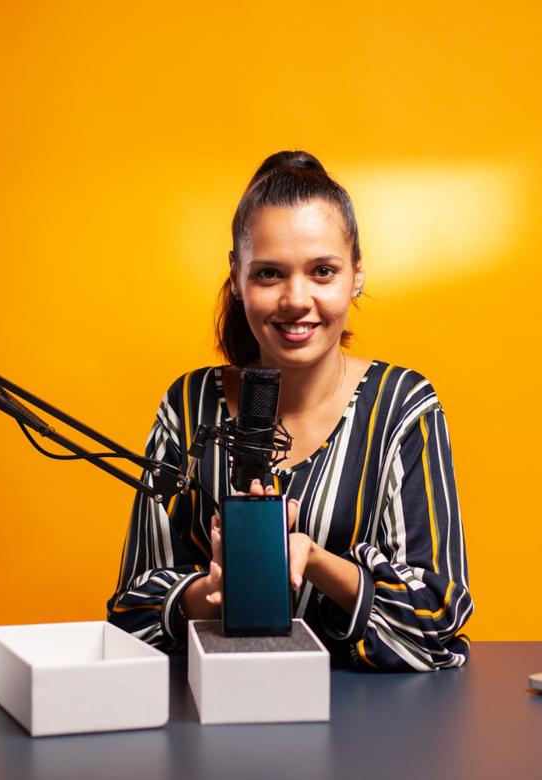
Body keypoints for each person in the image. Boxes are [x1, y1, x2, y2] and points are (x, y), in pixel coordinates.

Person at [107, 151, 472, 671]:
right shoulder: (188, 408)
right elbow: (130, 611)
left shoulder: (401, 407)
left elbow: (435, 617)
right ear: (236, 278)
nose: (297, 300)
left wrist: (312, 560)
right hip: (213, 710)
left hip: (367, 728)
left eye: (323, 271)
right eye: (270, 274)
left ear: (357, 275)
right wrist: (208, 593)